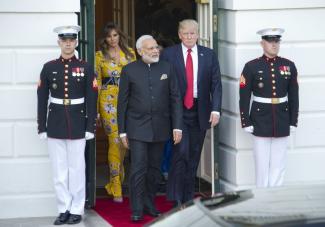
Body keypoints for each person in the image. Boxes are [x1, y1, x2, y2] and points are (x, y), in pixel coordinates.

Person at [117, 35, 183, 222]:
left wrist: (177, 127)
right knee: (138, 168)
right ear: (140, 51)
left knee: (154, 169)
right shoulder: (129, 70)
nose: (155, 50)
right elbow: (122, 103)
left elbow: (175, 99)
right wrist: (122, 131)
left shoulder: (167, 68)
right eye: (151, 48)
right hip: (137, 128)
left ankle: (149, 203)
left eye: (156, 47)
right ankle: (136, 208)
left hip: (161, 127)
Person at [37, 25, 98, 225]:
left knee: (77, 169)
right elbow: (41, 98)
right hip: (55, 123)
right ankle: (63, 208)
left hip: (78, 122)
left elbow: (92, 98)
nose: (68, 43)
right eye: (64, 40)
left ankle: (77, 209)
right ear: (59, 43)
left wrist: (90, 127)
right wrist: (42, 126)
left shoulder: (86, 67)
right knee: (59, 170)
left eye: (72, 40)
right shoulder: (49, 67)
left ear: (76, 42)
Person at [160, 19, 222, 206]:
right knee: (181, 153)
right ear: (179, 35)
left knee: (194, 155)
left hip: (200, 110)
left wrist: (216, 110)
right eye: (185, 33)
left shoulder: (208, 55)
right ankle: (176, 198)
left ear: (198, 34)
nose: (189, 37)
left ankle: (187, 198)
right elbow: (162, 84)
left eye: (192, 33)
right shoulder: (169, 54)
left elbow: (216, 85)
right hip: (178, 111)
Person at [239, 28, 299, 188]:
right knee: (261, 164)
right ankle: (262, 198)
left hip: (282, 117)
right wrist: (245, 121)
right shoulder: (251, 66)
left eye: (276, 41)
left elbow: (294, 96)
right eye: (270, 41)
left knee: (279, 164)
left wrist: (293, 121)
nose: (274, 44)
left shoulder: (288, 65)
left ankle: (275, 199)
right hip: (260, 118)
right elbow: (244, 96)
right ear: (262, 43)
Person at [95, 22, 136, 203]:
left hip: (127, 101)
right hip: (108, 101)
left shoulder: (131, 55)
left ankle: (118, 178)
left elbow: (137, 80)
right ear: (105, 38)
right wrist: (96, 111)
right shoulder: (99, 56)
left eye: (115, 35)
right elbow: (96, 84)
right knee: (115, 139)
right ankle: (116, 184)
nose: (112, 39)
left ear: (120, 36)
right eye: (109, 36)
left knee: (124, 141)